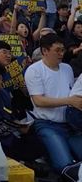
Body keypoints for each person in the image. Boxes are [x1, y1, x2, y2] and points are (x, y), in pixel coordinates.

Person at [25, 33, 82, 174]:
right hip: (47, 124)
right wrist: (69, 101)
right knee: (64, 165)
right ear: (45, 51)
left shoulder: (67, 68)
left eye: (62, 50)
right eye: (57, 50)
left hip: (70, 124)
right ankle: (45, 155)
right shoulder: (34, 70)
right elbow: (38, 101)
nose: (61, 54)